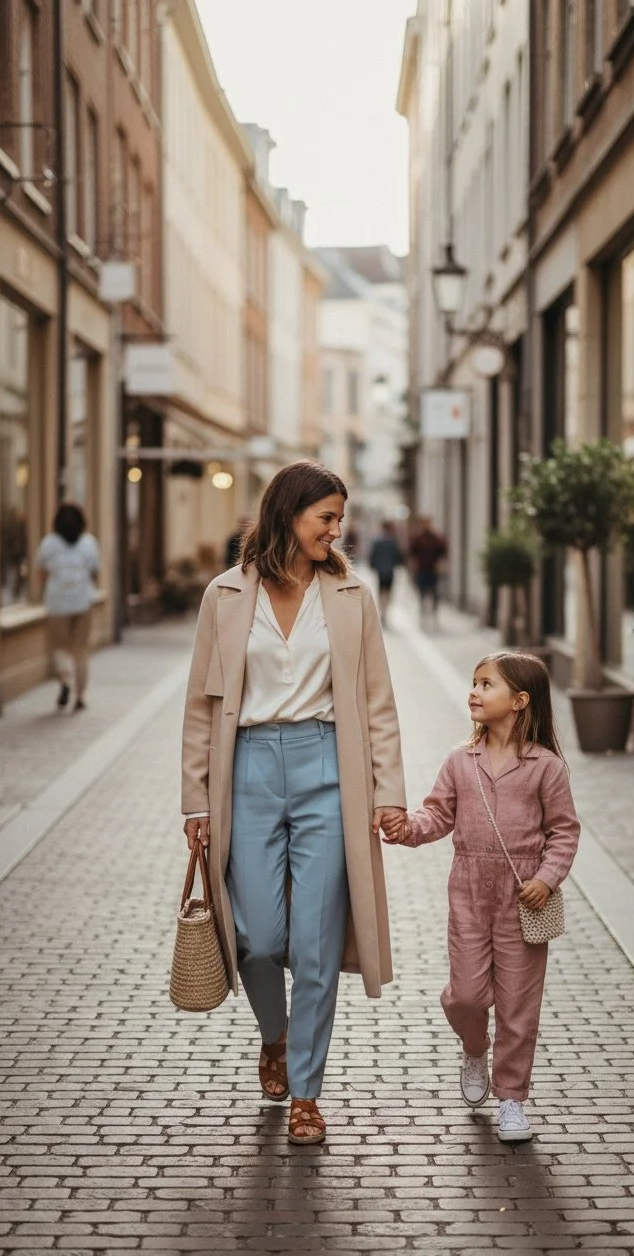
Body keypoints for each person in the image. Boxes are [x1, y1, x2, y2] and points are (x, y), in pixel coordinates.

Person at [181, 461, 407, 1145]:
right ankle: (273, 1038)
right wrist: (196, 800)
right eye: (327, 518)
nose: (337, 531)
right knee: (256, 938)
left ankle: (306, 1091)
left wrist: (388, 791)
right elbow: (200, 704)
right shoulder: (224, 594)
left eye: (339, 519)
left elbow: (377, 703)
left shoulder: (350, 595)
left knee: (311, 943)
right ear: (288, 515)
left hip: (325, 768)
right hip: (246, 768)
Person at [384, 652, 579, 1143]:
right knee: (468, 995)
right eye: (473, 683)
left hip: (523, 900)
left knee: (518, 1006)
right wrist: (404, 826)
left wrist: (548, 878)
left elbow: (564, 832)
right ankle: (475, 1047)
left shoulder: (546, 768)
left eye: (486, 685)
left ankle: (511, 1098)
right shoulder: (459, 760)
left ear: (519, 701)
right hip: (469, 893)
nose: (474, 691)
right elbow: (436, 815)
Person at [36, 503, 100, 711]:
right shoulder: (89, 543)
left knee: (60, 647)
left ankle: (65, 678)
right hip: (83, 601)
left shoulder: (49, 544)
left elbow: (41, 572)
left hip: (57, 602)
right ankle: (81, 695)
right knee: (80, 649)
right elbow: (95, 572)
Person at [408, 517, 447, 627]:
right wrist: (413, 569)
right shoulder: (417, 538)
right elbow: (412, 555)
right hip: (421, 570)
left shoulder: (435, 538)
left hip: (432, 570)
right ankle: (423, 615)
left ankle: (434, 615)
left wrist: (441, 566)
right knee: (421, 593)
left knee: (434, 593)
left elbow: (442, 553)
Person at [368, 521, 404, 627]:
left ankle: (382, 610)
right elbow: (398, 556)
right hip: (389, 571)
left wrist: (373, 566)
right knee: (388, 592)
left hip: (380, 570)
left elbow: (372, 555)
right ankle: (385, 611)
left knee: (380, 591)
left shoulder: (377, 541)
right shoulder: (393, 541)